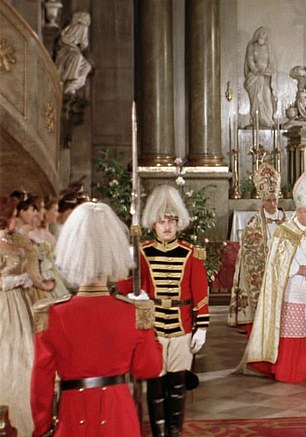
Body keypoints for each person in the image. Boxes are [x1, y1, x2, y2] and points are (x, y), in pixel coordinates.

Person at [30, 202, 163, 437]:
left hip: (72, 417)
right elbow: (148, 369)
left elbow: (41, 384)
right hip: (119, 415)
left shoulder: (51, 314)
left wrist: (43, 428)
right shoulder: (134, 312)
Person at [128, 185, 209, 437]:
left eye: (171, 221)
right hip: (152, 328)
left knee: (177, 383)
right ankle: (158, 433)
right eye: (162, 221)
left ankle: (174, 432)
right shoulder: (142, 252)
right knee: (155, 383)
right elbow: (128, 288)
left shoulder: (191, 253)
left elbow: (200, 293)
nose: (167, 227)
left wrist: (202, 327)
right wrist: (128, 267)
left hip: (181, 325)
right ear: (153, 223)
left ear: (178, 223)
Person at [242, 173, 306, 383]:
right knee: (292, 331)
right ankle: (288, 369)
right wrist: (298, 269)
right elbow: (275, 263)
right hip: (293, 291)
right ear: (298, 211)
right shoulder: (283, 232)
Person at [0, 196, 53, 437]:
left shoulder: (14, 241)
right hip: (4, 307)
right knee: (8, 356)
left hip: (21, 304)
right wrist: (20, 280)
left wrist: (36, 282)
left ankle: (29, 422)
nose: (15, 220)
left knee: (28, 357)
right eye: (12, 216)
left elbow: (27, 270)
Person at [228, 163, 285, 332]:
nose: (272, 203)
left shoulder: (287, 221)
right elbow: (247, 253)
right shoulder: (254, 224)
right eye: (268, 200)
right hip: (264, 270)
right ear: (261, 200)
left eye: (274, 199)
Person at [244, 27, 277, 128]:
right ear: (258, 34)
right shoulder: (252, 46)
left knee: (266, 96)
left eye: (265, 33)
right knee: (255, 100)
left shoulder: (268, 47)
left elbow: (272, 62)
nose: (264, 34)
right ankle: (257, 120)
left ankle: (268, 120)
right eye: (262, 32)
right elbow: (250, 60)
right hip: (254, 77)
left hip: (265, 76)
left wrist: (266, 71)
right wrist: (255, 70)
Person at [55, 11, 92, 95]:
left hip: (69, 52)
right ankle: (68, 86)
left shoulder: (76, 28)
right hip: (68, 52)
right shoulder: (80, 28)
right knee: (78, 59)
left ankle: (70, 87)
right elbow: (83, 44)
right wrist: (75, 46)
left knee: (86, 66)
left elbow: (83, 44)